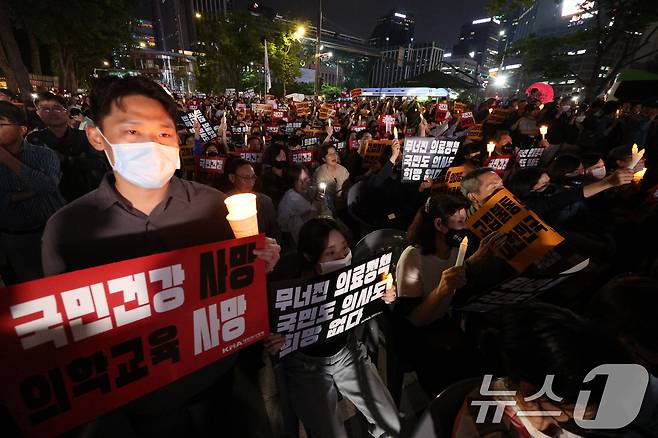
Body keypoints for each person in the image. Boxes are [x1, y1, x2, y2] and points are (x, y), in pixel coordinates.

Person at [40, 76, 280, 436]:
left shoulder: (213, 206)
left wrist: (260, 262)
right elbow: (67, 339)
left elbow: (239, 288)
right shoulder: (68, 230)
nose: (152, 144)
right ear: (96, 137)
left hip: (222, 387)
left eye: (165, 133)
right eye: (133, 132)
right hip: (137, 410)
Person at [265, 218, 401, 438]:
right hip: (305, 365)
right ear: (310, 257)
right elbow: (268, 327)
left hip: (348, 353)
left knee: (391, 422)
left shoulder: (358, 269)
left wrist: (387, 293)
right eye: (330, 253)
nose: (342, 256)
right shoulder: (288, 278)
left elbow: (378, 294)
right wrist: (275, 339)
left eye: (345, 248)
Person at [453, 302, 635, 438]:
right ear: (531, 393)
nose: (594, 415)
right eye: (584, 411)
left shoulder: (561, 400)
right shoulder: (489, 425)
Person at [395, 194, 505, 396]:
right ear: (440, 224)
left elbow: (461, 284)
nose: (465, 228)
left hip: (445, 322)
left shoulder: (456, 251)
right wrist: (440, 290)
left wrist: (481, 261)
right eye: (461, 222)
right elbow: (413, 320)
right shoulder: (413, 257)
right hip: (418, 336)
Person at [0, 101, 64, 284]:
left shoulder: (44, 155)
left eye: (1, 125)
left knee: (62, 282)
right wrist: (29, 191)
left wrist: (7, 160)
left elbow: (48, 186)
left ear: (22, 129)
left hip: (51, 232)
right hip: (13, 237)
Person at [27, 92, 107, 201]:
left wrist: (66, 159)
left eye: (57, 108)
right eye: (45, 109)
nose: (52, 113)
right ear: (38, 113)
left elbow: (99, 164)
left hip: (84, 197)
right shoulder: (34, 140)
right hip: (50, 201)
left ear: (66, 112)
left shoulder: (84, 137)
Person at [224, 157, 281, 241]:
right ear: (232, 178)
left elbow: (275, 233)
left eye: (253, 177)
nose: (251, 183)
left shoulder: (265, 201)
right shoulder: (223, 204)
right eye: (246, 178)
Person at [277, 163, 326, 245]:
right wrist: (318, 201)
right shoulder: (292, 197)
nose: (304, 184)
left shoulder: (310, 190)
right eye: (299, 181)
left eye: (306, 179)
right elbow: (314, 213)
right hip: (294, 235)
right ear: (292, 182)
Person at [312, 143, 350, 215]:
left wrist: (345, 193)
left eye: (335, 153)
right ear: (323, 159)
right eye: (330, 154)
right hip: (327, 207)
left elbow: (348, 186)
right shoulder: (319, 173)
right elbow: (317, 194)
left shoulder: (343, 170)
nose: (334, 156)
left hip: (343, 203)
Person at [261, 143, 289, 207]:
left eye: (284, 156)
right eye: (279, 157)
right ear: (272, 158)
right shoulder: (267, 177)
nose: (282, 159)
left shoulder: (288, 173)